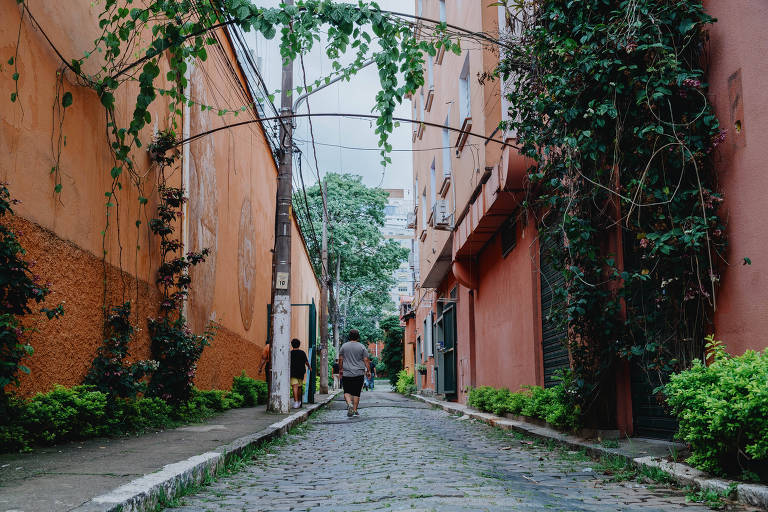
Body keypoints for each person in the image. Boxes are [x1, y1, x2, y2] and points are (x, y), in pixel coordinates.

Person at [338, 329, 371, 417]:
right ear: (358, 337)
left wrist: (340, 369)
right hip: (359, 373)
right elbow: (366, 360)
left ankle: (350, 405)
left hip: (347, 373)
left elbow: (340, 359)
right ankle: (355, 410)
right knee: (357, 392)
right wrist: (368, 371)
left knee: (347, 391)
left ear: (349, 336)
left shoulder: (344, 346)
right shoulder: (362, 347)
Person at [290, 338, 310, 409]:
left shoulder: (290, 353)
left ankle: (296, 402)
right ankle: (299, 401)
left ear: (292, 345)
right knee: (299, 387)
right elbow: (306, 362)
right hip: (301, 372)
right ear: (299, 345)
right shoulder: (302, 353)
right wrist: (309, 368)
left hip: (292, 372)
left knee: (294, 387)